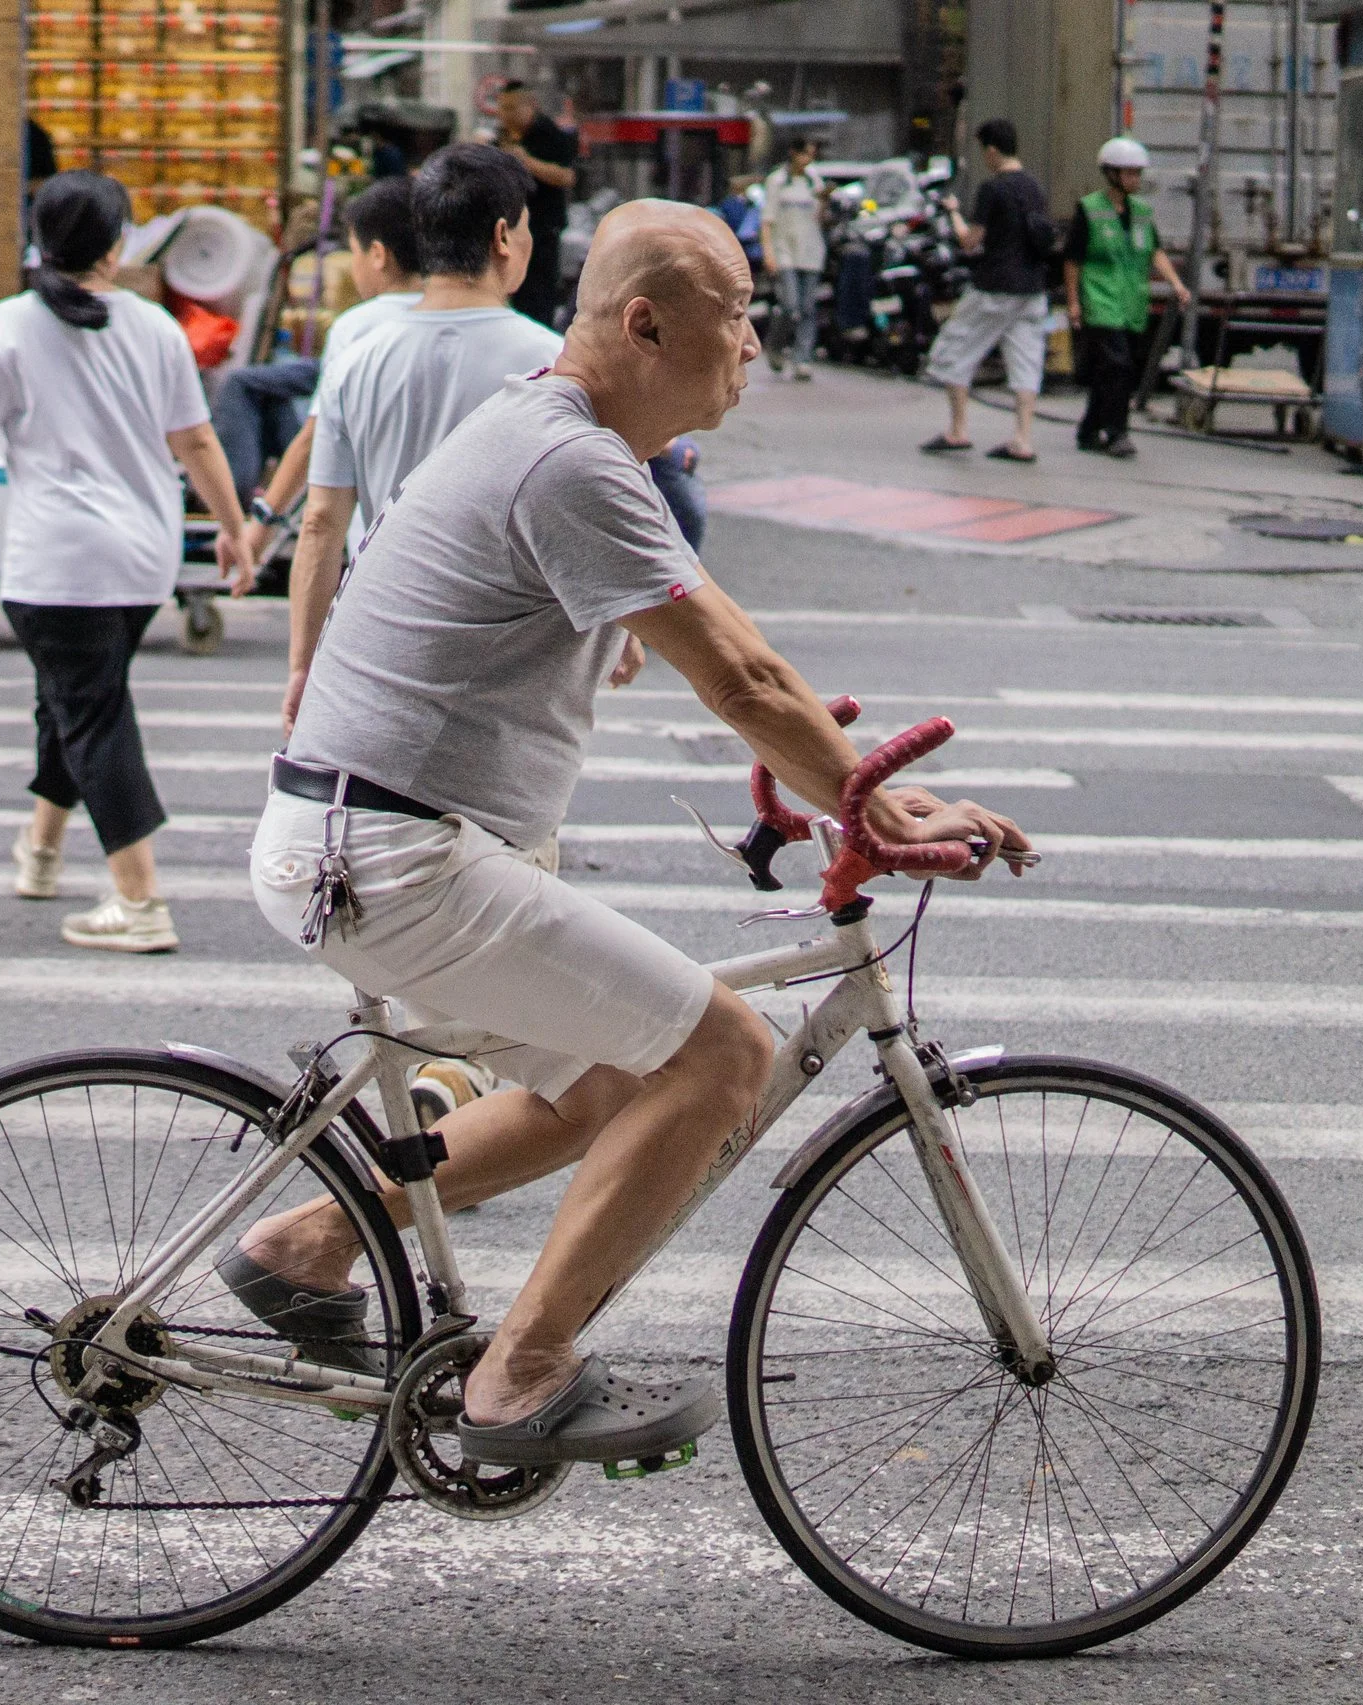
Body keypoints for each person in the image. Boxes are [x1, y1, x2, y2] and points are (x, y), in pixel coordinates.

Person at [231, 199, 1031, 1468]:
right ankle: (520, 1378)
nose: (757, 344)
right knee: (722, 1055)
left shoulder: (578, 444)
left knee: (603, 1085)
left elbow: (745, 662)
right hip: (388, 857)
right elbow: (742, 685)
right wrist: (863, 802)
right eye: (739, 313)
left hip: (372, 843)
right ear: (646, 321)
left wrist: (855, 781)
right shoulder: (571, 460)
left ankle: (307, 1242)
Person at [0, 172, 251, 954]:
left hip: (58, 563)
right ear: (118, 244)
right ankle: (43, 850)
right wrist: (232, 527)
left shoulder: (12, 325)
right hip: (140, 561)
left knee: (91, 715)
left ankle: (140, 898)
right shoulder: (155, 326)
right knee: (74, 700)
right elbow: (194, 439)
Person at [284, 143, 561, 732]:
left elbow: (321, 525)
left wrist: (303, 666)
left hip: (377, 632)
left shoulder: (358, 360)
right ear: (503, 239)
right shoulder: (552, 364)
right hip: (509, 648)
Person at [220, 176, 423, 530]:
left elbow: (316, 442)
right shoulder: (489, 329)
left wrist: (263, 523)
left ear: (377, 255)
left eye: (354, 254)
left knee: (244, 385)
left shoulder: (358, 326)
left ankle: (241, 496)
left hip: (380, 536)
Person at [921, 118, 1056, 462]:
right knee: (1026, 361)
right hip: (1032, 289)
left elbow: (969, 242)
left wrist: (953, 213)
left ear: (992, 150)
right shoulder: (1034, 187)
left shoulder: (992, 189)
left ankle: (958, 431)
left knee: (954, 349)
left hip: (994, 286)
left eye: (984, 151)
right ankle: (1022, 440)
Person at [1065, 135, 1191, 459]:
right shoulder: (1090, 209)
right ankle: (1117, 432)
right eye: (1129, 173)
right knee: (1117, 366)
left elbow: (1155, 252)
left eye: (1138, 173)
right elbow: (1073, 260)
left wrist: (1176, 283)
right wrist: (1074, 303)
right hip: (1101, 299)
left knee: (1117, 368)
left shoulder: (1143, 212)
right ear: (1111, 174)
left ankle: (1089, 429)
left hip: (1132, 302)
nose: (1135, 179)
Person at [494, 79, 578, 326]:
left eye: (511, 108)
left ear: (530, 105)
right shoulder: (503, 136)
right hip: (508, 228)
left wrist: (527, 162)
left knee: (536, 299)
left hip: (541, 231)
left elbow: (567, 176)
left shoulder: (549, 134)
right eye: (501, 108)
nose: (504, 115)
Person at [757, 135, 823, 379]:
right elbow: (767, 221)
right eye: (805, 153)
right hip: (784, 250)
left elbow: (819, 217)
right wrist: (768, 253)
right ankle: (775, 345)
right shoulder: (777, 181)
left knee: (807, 308)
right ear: (794, 153)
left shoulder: (813, 179)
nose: (808, 159)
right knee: (790, 305)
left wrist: (824, 200)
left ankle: (802, 359)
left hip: (811, 250)